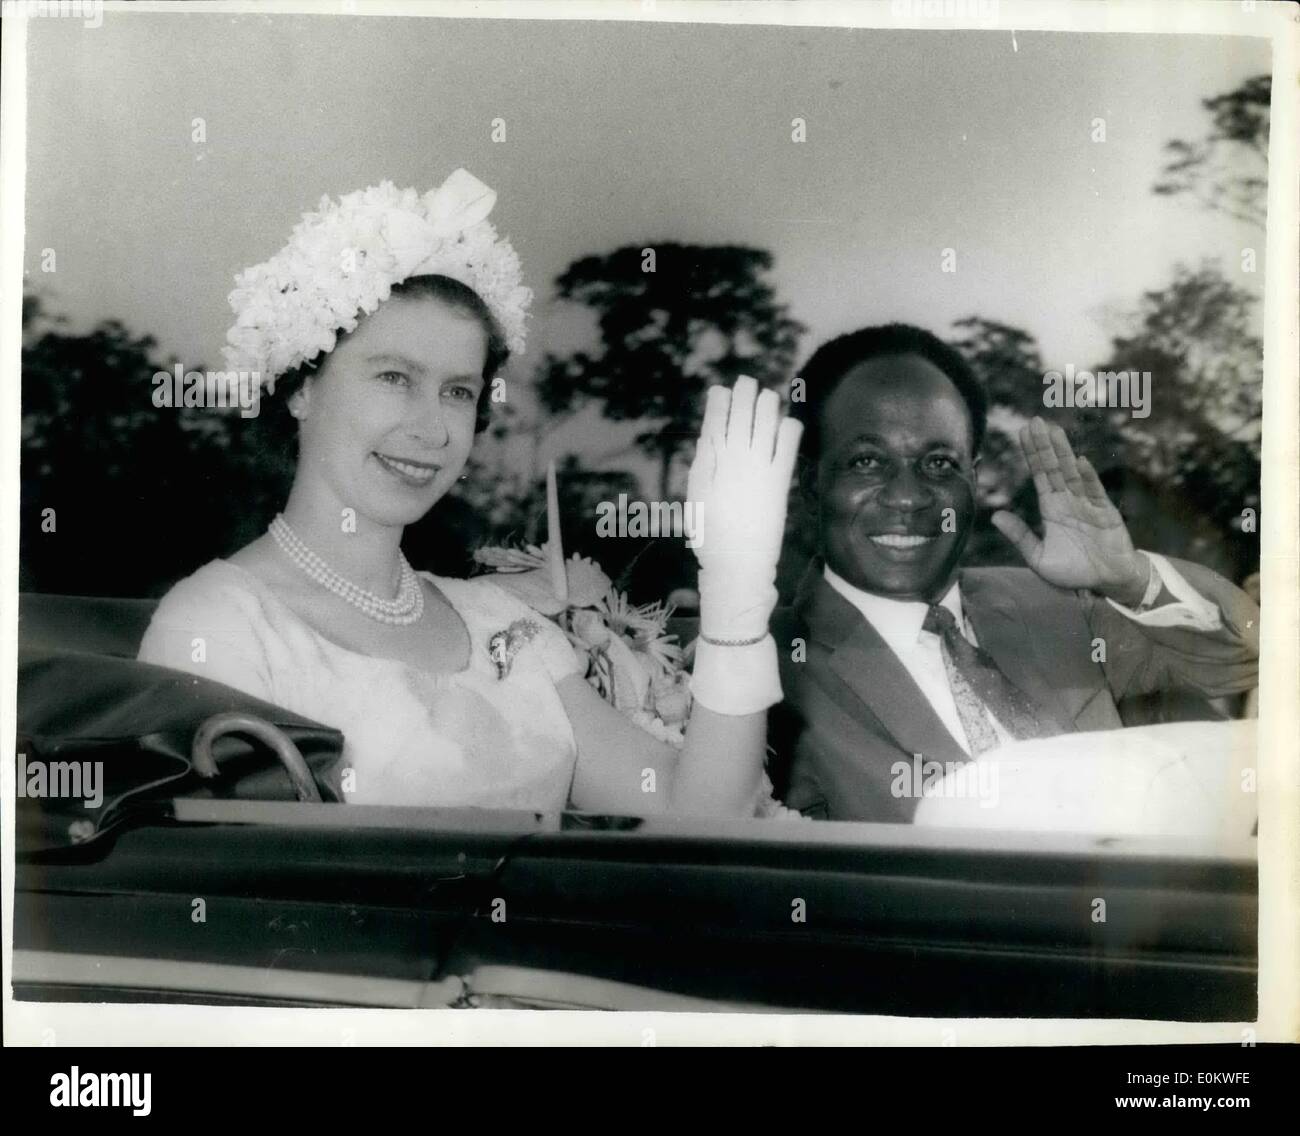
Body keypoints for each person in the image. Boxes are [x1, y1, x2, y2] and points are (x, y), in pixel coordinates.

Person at [138, 170, 801, 817]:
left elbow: (702, 810)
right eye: (395, 377)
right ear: (301, 386)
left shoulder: (501, 624)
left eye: (458, 391)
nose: (431, 428)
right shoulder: (220, 625)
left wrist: (736, 594)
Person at [769, 323, 1260, 822]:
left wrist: (1131, 579)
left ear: (973, 480)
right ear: (812, 486)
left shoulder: (1061, 608)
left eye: (939, 463)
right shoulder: (767, 667)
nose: (908, 497)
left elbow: (1247, 660)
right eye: (867, 461)